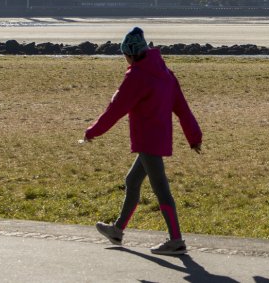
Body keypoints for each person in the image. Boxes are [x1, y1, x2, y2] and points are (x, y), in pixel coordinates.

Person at [83, 26, 202, 255]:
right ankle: (117, 230)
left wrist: (92, 132)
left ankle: (176, 240)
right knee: (132, 181)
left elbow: (115, 109)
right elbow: (182, 108)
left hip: (148, 140)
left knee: (161, 189)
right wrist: (194, 137)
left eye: (125, 55)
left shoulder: (136, 76)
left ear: (130, 53)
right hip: (158, 137)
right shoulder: (165, 73)